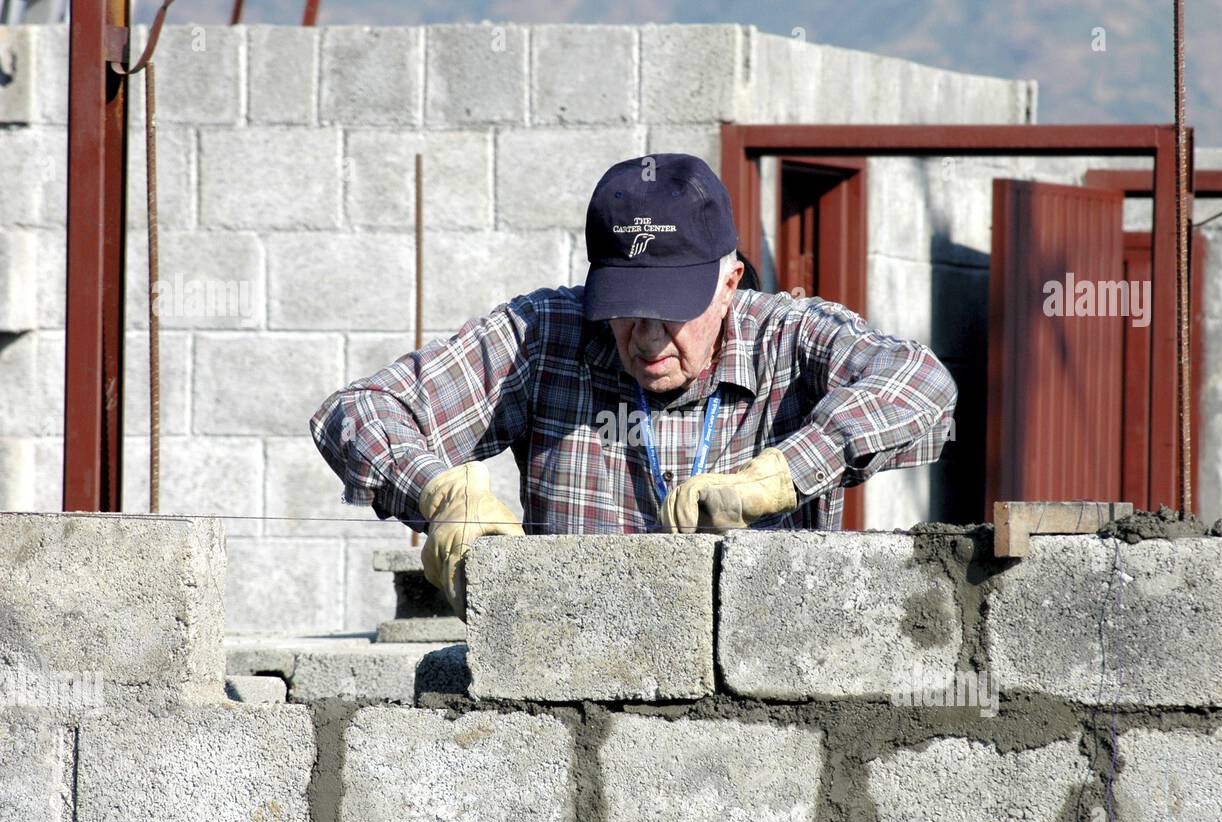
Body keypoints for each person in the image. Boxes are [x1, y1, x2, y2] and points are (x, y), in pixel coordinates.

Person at [310, 153, 957, 618]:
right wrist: (438, 492)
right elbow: (357, 411)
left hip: (765, 698)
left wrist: (781, 475)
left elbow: (922, 384)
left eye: (671, 309)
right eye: (625, 307)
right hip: (568, 687)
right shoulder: (544, 337)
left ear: (729, 283)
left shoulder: (785, 339)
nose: (646, 337)